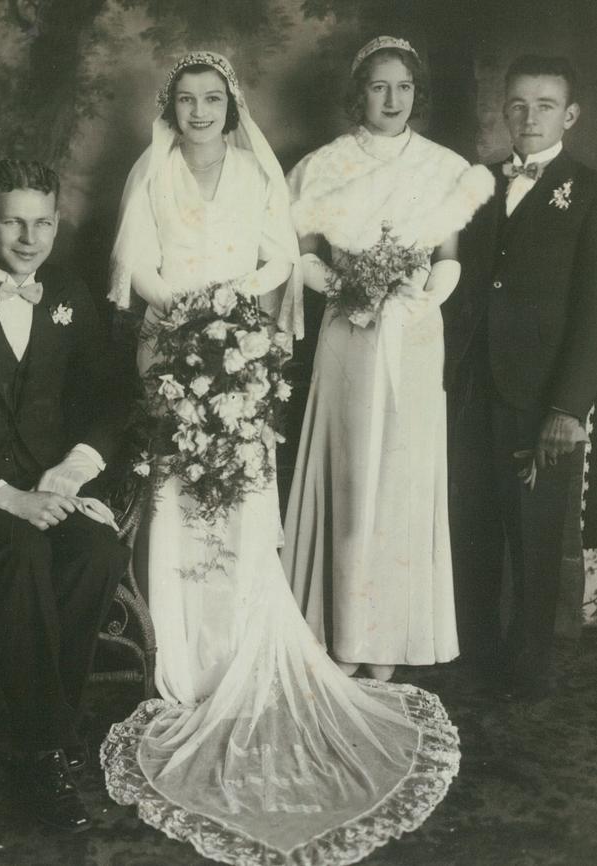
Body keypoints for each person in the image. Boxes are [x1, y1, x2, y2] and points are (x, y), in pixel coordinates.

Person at [101, 51, 461, 866]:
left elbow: (275, 257)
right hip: (173, 341)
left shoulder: (258, 174)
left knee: (241, 498)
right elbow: (135, 263)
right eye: (186, 100)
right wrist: (186, 307)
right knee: (177, 498)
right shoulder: (149, 171)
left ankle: (242, 651)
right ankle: (186, 663)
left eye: (213, 100)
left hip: (240, 342)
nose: (199, 113)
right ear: (171, 107)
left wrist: (229, 307)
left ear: (232, 108)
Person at [280, 36, 494, 682]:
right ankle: (341, 632)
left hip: (413, 334)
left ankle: (388, 643)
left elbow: (448, 259)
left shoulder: (443, 168)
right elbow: (304, 254)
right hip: (348, 332)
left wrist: (416, 295)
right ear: (360, 93)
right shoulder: (324, 165)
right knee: (350, 479)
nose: (392, 99)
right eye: (379, 86)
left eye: (403, 86)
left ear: (417, 94)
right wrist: (346, 287)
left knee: (400, 484)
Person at [0, 159, 129, 830]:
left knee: (98, 551)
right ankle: (44, 748)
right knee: (23, 549)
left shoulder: (69, 293)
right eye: (13, 221)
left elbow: (111, 396)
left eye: (44, 222)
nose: (29, 238)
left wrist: (73, 470)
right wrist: (5, 495)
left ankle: (33, 724)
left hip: (45, 482)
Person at [445, 55, 597, 700]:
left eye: (543, 105)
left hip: (540, 398)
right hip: (472, 388)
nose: (528, 117)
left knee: (535, 537)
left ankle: (529, 669)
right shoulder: (475, 184)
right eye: (517, 105)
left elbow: (594, 309)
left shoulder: (588, 192)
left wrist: (568, 407)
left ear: (569, 115)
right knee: (470, 526)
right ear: (501, 111)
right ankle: (473, 657)